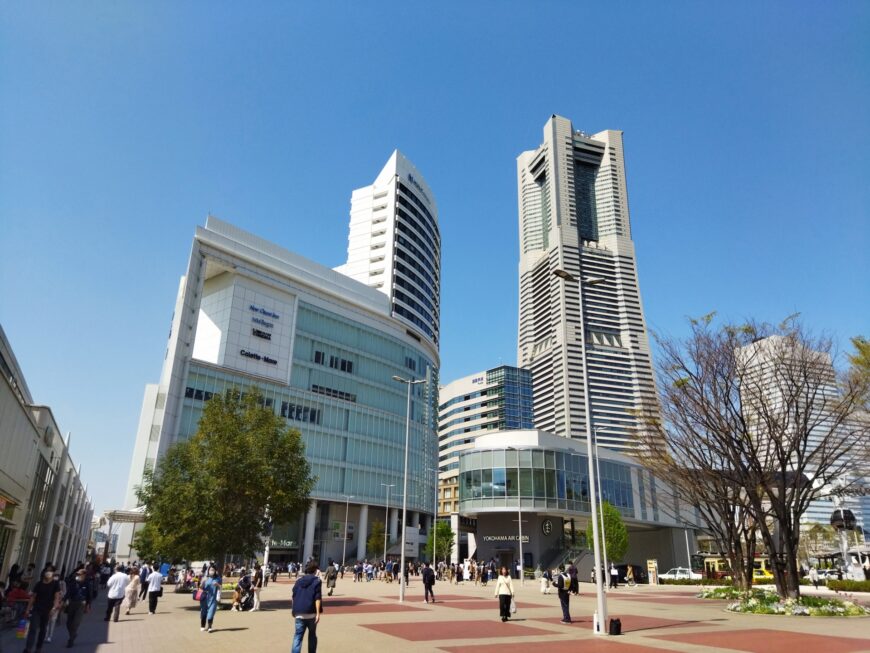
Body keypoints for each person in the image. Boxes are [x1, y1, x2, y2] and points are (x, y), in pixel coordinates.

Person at [23, 565, 61, 653]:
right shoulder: (39, 584)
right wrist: (28, 610)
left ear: (53, 573)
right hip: (37, 608)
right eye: (47, 571)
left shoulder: (55, 584)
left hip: (47, 610)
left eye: (50, 571)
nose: (48, 572)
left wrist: (54, 608)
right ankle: (28, 648)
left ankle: (38, 648)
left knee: (43, 629)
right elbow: (33, 597)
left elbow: (56, 597)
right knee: (33, 628)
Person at [291, 561, 322, 653]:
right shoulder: (317, 581)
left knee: (298, 636)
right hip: (311, 613)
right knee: (312, 635)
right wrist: (317, 613)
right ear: (315, 570)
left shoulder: (298, 581)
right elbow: (317, 598)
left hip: (299, 612)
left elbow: (293, 596)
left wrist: (293, 609)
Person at [65, 567, 94, 648]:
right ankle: (73, 634)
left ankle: (71, 640)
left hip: (81, 604)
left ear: (84, 575)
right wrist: (64, 601)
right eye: (77, 574)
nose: (77, 575)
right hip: (71, 603)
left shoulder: (87, 584)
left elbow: (89, 595)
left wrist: (88, 605)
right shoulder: (73, 582)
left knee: (75, 622)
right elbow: (68, 593)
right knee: (68, 623)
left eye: (79, 574)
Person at [44, 569, 66, 643]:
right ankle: (45, 635)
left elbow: (64, 594)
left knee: (52, 621)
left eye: (57, 575)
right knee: (46, 621)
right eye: (55, 575)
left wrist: (60, 601)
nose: (56, 577)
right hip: (48, 604)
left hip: (56, 604)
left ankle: (50, 636)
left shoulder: (62, 583)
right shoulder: (50, 583)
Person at [199, 565, 221, 632]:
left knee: (211, 612)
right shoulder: (205, 578)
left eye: (213, 570)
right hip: (205, 597)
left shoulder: (218, 578)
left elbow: (221, 587)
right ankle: (202, 626)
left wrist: (218, 585)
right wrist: (202, 583)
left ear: (215, 571)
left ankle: (209, 626)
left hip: (213, 598)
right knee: (203, 612)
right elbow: (200, 588)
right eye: (210, 570)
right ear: (208, 570)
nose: (211, 571)